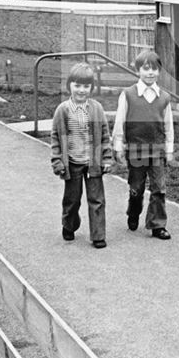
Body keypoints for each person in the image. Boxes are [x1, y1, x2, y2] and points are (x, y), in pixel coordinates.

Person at [112, 50, 174, 240]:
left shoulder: (164, 97)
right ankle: (133, 212)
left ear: (159, 72)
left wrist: (169, 148)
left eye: (154, 69)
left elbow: (168, 125)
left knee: (159, 188)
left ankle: (157, 225)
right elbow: (119, 121)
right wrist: (118, 144)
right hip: (136, 151)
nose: (150, 73)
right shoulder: (129, 95)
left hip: (157, 151)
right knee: (136, 188)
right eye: (146, 69)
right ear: (138, 70)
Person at [50, 62, 113, 248]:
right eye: (77, 85)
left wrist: (107, 158)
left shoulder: (96, 108)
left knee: (97, 200)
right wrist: (57, 161)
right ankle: (69, 225)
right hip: (72, 162)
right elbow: (55, 138)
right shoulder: (63, 110)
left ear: (91, 88)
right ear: (69, 85)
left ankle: (98, 235)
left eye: (86, 86)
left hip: (93, 162)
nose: (81, 90)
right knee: (72, 199)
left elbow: (104, 135)